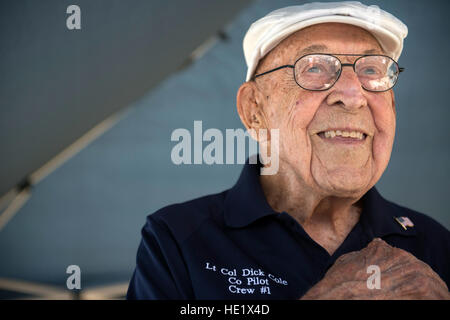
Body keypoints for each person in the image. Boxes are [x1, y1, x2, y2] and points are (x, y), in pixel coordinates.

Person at [127, 2, 450, 299]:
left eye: (371, 71)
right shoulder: (179, 240)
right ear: (254, 109)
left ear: (391, 105)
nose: (354, 95)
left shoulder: (435, 244)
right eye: (314, 68)